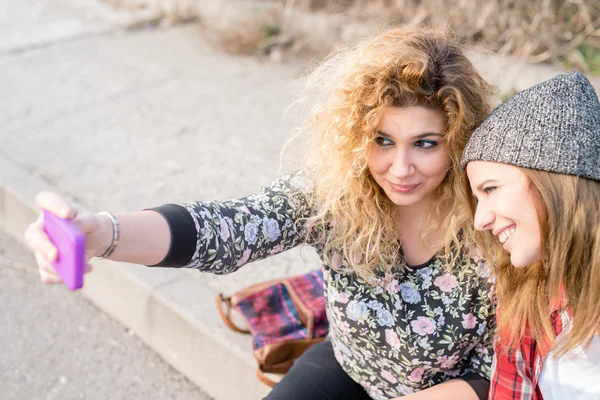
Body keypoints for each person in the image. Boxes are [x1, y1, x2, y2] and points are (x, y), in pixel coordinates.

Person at [25, 28, 496, 399]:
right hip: (352, 366)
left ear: (457, 140)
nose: (400, 168)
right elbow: (228, 228)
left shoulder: (493, 220)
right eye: (383, 140)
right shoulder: (334, 195)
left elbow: (500, 371)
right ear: (356, 137)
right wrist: (102, 234)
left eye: (426, 144)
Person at [462, 71, 600, 399]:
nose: (480, 220)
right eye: (477, 199)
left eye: (491, 189)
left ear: (553, 180)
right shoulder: (526, 305)